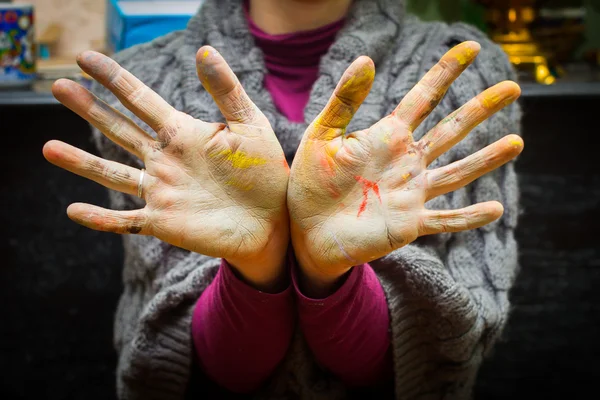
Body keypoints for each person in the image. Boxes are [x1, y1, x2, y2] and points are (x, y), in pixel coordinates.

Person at [42, 0, 524, 398]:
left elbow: (436, 360)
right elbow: (198, 368)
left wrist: (325, 271)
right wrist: (260, 258)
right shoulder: (147, 88)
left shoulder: (461, 73)